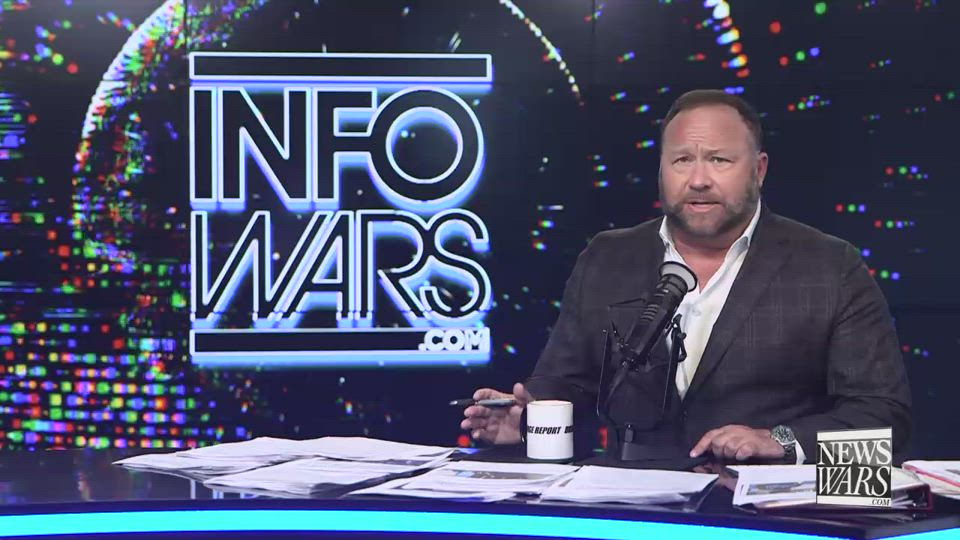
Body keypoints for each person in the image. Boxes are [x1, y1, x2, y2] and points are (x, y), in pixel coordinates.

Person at [461, 89, 911, 463]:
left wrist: (780, 441)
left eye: (719, 160)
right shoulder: (607, 256)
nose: (698, 179)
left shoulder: (829, 266)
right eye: (681, 160)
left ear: (759, 170)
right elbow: (567, 385)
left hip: (762, 516)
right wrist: (526, 420)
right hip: (631, 512)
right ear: (661, 169)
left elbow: (885, 422)